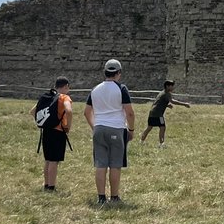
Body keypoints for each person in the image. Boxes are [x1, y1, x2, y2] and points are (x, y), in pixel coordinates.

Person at [84, 59, 135, 206]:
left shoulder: (95, 89)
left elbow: (87, 112)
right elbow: (130, 113)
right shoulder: (121, 89)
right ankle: (114, 196)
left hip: (99, 128)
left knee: (100, 164)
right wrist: (131, 130)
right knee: (115, 164)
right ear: (118, 73)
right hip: (116, 128)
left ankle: (101, 197)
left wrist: (95, 127)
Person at [34, 77, 72, 191]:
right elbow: (69, 111)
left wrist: (44, 122)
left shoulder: (48, 97)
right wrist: (68, 126)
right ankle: (51, 186)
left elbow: (33, 112)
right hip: (58, 131)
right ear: (65, 86)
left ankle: (46, 184)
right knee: (54, 161)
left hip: (46, 130)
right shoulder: (64, 97)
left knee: (48, 159)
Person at [140, 80, 191, 146]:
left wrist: (167, 105)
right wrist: (184, 104)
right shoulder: (167, 94)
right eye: (171, 86)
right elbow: (173, 101)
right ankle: (161, 144)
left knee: (149, 127)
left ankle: (141, 141)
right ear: (167, 86)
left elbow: (157, 102)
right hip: (158, 114)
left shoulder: (162, 93)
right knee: (162, 127)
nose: (173, 88)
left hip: (152, 112)